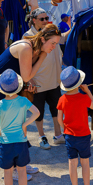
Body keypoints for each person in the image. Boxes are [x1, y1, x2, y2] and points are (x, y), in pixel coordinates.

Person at [0, 24, 61, 165]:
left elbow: (26, 74)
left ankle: (20, 163)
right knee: (4, 122)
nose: (54, 47)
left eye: (56, 44)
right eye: (53, 43)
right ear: (43, 39)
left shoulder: (35, 48)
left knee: (16, 120)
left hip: (10, 83)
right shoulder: (27, 47)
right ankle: (9, 165)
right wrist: (43, 57)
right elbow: (26, 77)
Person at [23, 9, 71, 150]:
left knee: (56, 109)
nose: (45, 21)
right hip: (37, 82)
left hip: (54, 81)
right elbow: (24, 61)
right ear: (34, 20)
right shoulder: (27, 36)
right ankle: (41, 136)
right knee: (39, 112)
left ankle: (58, 135)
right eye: (42, 18)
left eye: (46, 18)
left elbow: (63, 37)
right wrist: (29, 81)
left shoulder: (51, 32)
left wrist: (74, 24)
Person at [0, 69, 40, 185]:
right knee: (22, 171)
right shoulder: (23, 100)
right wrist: (24, 124)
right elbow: (37, 112)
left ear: (1, 88)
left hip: (5, 143)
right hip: (21, 143)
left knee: (7, 172)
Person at [57, 66, 93, 185]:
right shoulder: (83, 97)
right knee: (85, 162)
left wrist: (64, 130)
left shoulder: (62, 99)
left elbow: (59, 118)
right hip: (84, 135)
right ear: (79, 84)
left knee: (72, 163)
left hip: (69, 135)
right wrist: (88, 91)